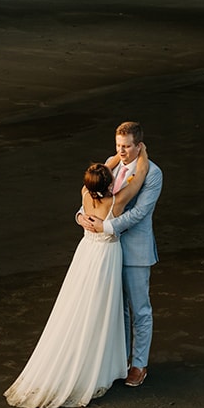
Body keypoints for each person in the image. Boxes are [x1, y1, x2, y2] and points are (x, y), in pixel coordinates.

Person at [4, 157, 148, 408]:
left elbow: (104, 168)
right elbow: (141, 174)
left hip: (85, 255)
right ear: (110, 182)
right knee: (101, 307)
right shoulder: (116, 202)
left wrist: (113, 159)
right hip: (105, 259)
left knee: (78, 302)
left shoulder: (85, 194)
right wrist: (141, 151)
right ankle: (101, 362)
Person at [79, 122, 162, 388]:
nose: (121, 151)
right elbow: (92, 195)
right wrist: (80, 216)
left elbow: (140, 213)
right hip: (107, 252)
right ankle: (120, 361)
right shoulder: (110, 164)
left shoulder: (153, 174)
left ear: (139, 145)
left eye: (126, 146)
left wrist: (106, 227)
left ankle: (139, 365)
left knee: (139, 310)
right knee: (117, 311)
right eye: (118, 146)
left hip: (135, 250)